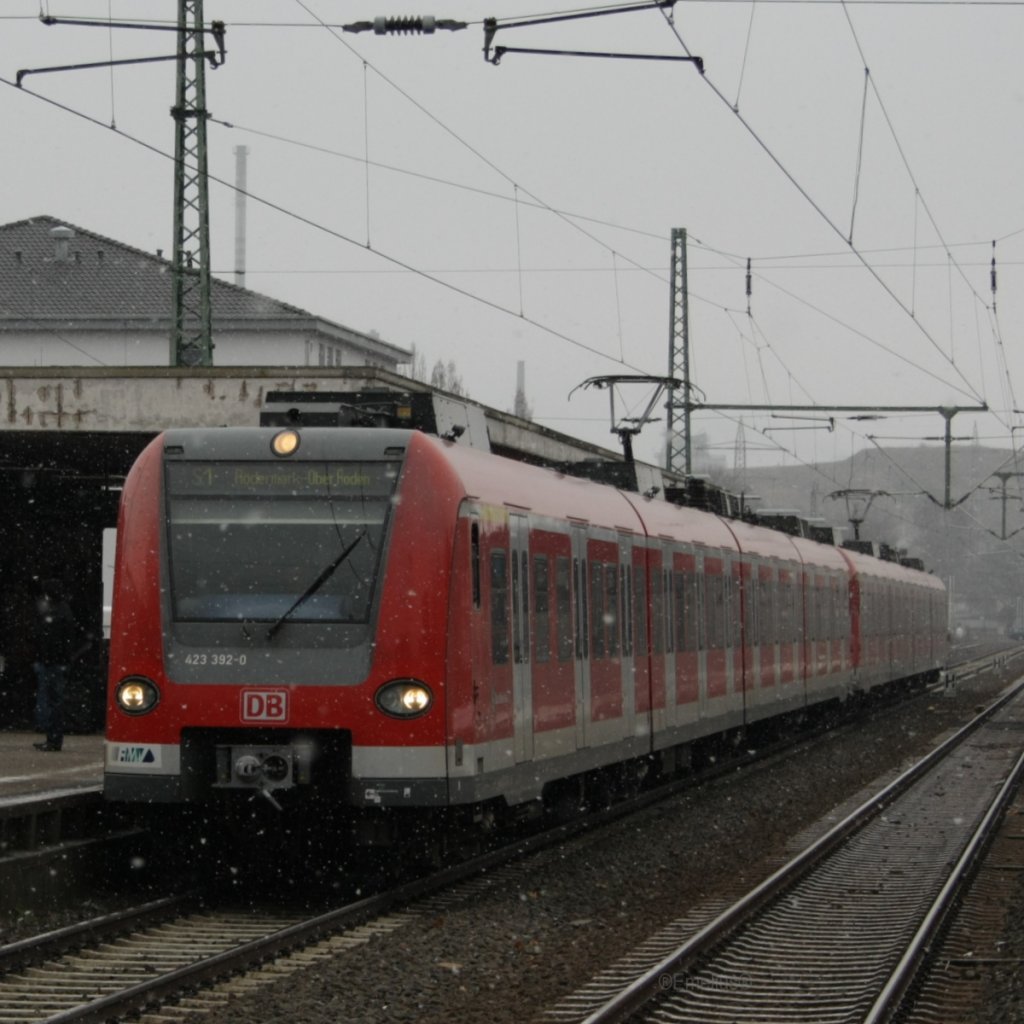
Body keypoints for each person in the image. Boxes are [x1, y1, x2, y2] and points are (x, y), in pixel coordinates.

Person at [31, 579, 89, 752]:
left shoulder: (56, 612)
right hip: (55, 662)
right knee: (53, 701)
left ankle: (53, 739)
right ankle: (53, 738)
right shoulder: (62, 611)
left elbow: (51, 638)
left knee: (52, 702)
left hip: (52, 662)